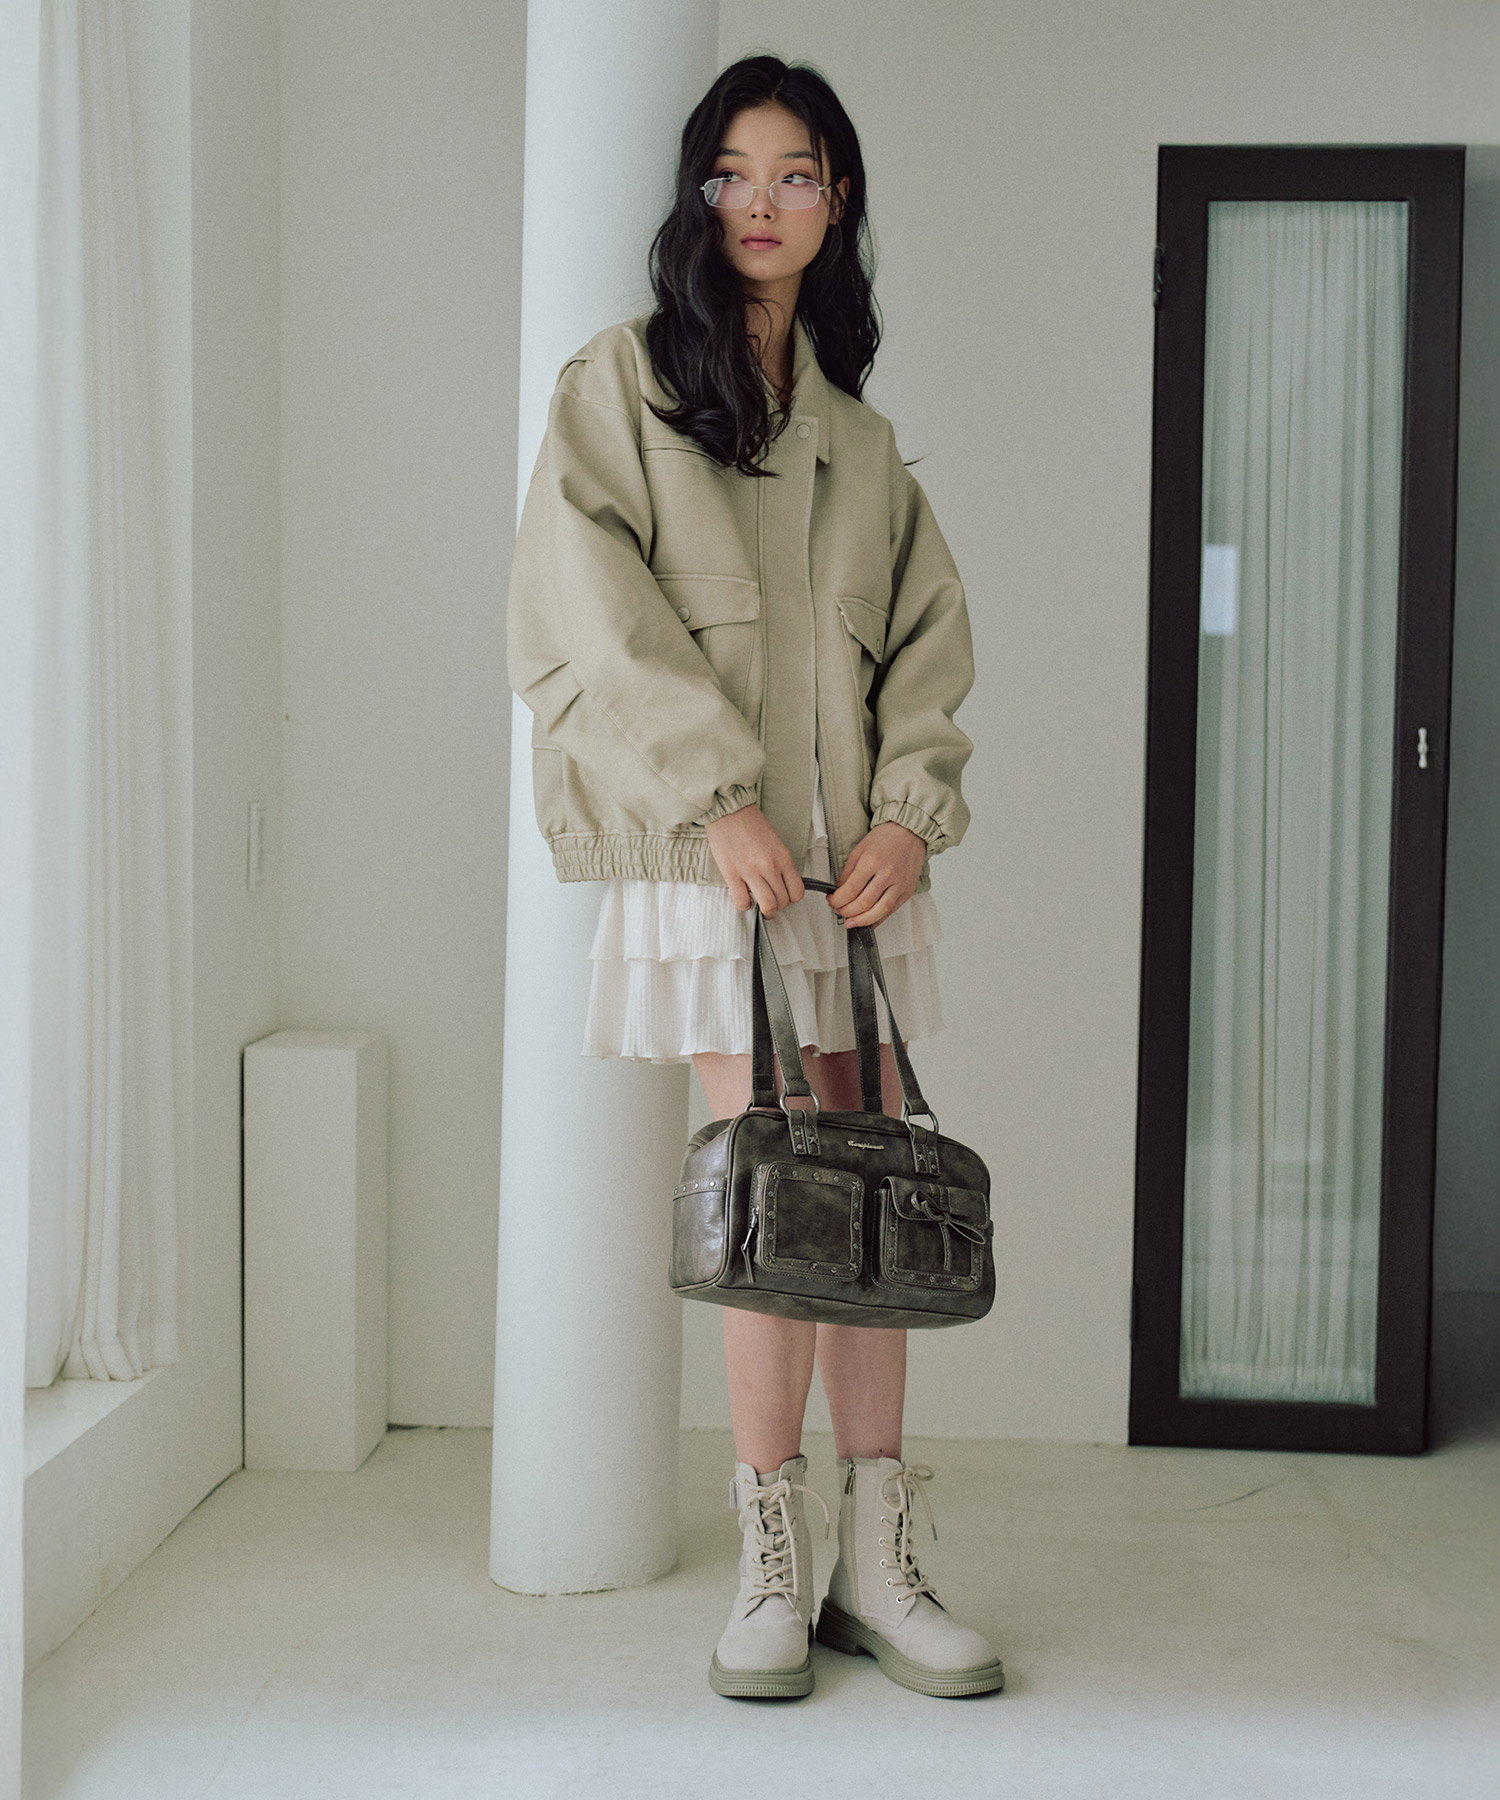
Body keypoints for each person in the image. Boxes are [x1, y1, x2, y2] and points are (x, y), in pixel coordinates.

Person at [507, 53, 1002, 1702]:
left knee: (870, 1191)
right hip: (715, 865)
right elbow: (582, 607)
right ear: (698, 193)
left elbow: (926, 656)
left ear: (837, 200)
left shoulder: (864, 445)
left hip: (852, 878)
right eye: (733, 172)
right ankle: (771, 1562)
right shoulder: (626, 385)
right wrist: (712, 798)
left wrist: (910, 817)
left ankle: (880, 1558)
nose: (763, 203)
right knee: (776, 1190)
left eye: (796, 174)